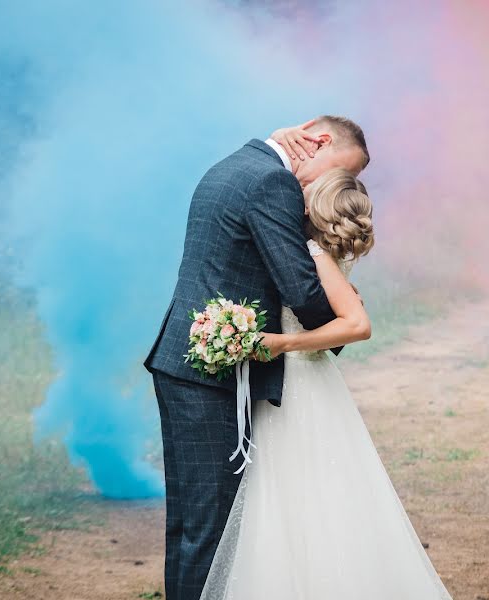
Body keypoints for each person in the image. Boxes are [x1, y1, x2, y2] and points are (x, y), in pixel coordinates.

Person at [200, 168, 453, 599]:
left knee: (306, 489)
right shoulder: (307, 253)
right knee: (292, 491)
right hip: (301, 382)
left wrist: (285, 343)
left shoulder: (314, 252)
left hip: (303, 384)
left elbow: (358, 325)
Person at [143, 116, 369, 599]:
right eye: (337, 170)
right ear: (320, 141)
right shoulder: (272, 181)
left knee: (192, 524)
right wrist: (341, 325)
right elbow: (299, 286)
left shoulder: (239, 163)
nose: (332, 185)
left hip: (188, 367)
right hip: (207, 375)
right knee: (213, 527)